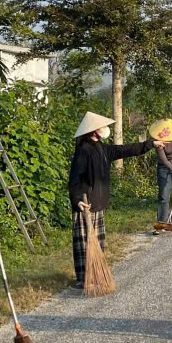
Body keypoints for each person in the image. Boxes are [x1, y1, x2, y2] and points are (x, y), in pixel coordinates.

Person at [69, 111, 155, 287]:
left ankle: (95, 273)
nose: (105, 129)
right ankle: (83, 278)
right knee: (84, 243)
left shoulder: (102, 147)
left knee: (97, 242)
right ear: (94, 130)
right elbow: (74, 179)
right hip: (85, 203)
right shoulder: (83, 150)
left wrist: (150, 144)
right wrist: (77, 199)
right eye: (102, 126)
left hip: (98, 202)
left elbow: (125, 149)